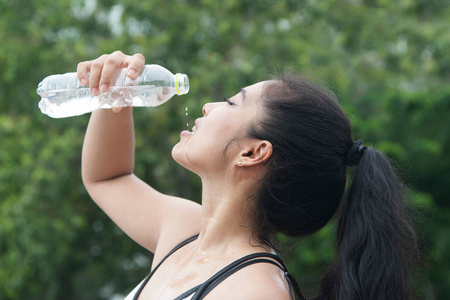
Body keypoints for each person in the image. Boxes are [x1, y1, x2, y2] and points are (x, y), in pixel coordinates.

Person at [78, 51, 419, 300]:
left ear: (253, 152)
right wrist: (113, 96)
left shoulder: (254, 290)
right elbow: (107, 178)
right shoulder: (185, 231)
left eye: (229, 102)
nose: (207, 107)